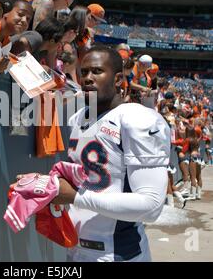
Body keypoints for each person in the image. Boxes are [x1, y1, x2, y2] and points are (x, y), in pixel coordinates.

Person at [49, 46, 170, 262]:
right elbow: (86, 179)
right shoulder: (77, 118)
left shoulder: (137, 119)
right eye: (83, 72)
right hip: (75, 249)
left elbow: (151, 206)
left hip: (116, 253)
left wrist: (76, 197)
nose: (87, 78)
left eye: (96, 71)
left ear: (117, 80)